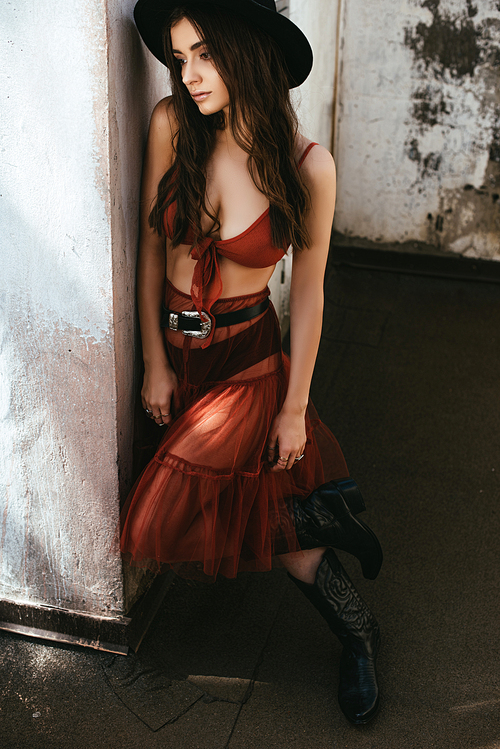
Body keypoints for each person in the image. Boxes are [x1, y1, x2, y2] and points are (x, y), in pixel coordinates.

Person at [121, 0, 383, 726]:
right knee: (251, 527)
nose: (190, 75)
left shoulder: (307, 167)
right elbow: (151, 248)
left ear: (246, 51)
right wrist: (153, 359)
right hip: (178, 352)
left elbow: (309, 292)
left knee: (166, 521)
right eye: (179, 60)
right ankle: (321, 520)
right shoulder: (174, 127)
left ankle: (357, 635)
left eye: (204, 55)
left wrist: (295, 408)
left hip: (247, 360)